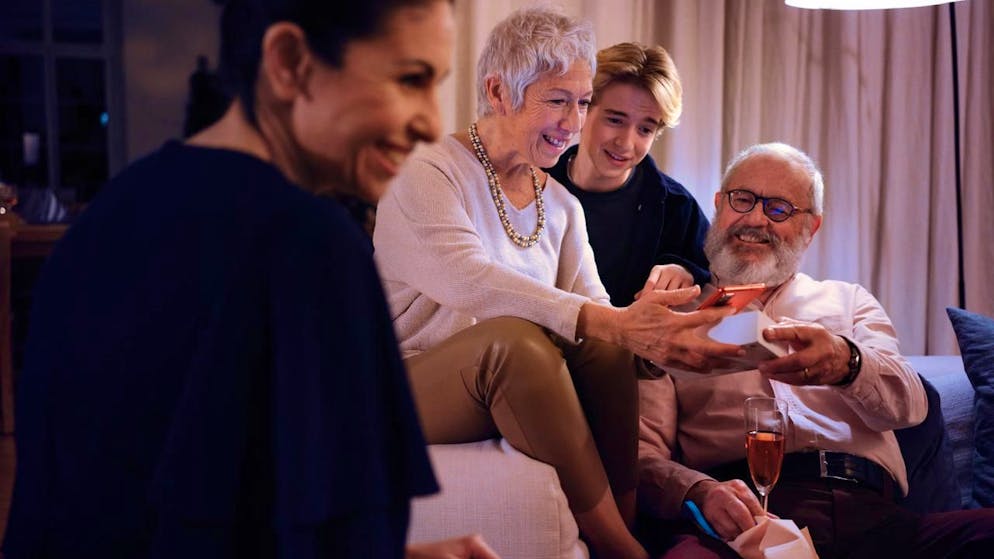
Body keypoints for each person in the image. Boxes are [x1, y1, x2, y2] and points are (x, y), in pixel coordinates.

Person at [3, 1, 496, 558]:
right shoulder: (312, 246)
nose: (432, 121)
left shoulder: (105, 219)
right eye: (411, 79)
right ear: (290, 62)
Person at [373, 7, 743, 559]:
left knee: (605, 347)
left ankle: (628, 520)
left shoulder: (561, 204)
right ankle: (625, 549)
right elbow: (473, 280)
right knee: (516, 345)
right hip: (405, 386)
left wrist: (656, 335)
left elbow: (596, 312)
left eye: (583, 102)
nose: (574, 123)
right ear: (499, 92)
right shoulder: (426, 172)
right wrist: (613, 321)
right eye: (557, 100)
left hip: (510, 386)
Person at [637, 142, 994, 559]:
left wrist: (847, 363)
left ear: (812, 227)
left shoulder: (849, 301)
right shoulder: (676, 314)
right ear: (718, 206)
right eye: (743, 199)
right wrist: (698, 491)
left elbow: (909, 406)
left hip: (874, 517)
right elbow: (641, 455)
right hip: (744, 519)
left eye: (779, 209)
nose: (754, 219)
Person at [545, 42, 711, 307]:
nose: (626, 143)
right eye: (615, 120)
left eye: (645, 129)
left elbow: (710, 268)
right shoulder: (530, 180)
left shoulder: (678, 208)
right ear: (583, 109)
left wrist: (687, 271)